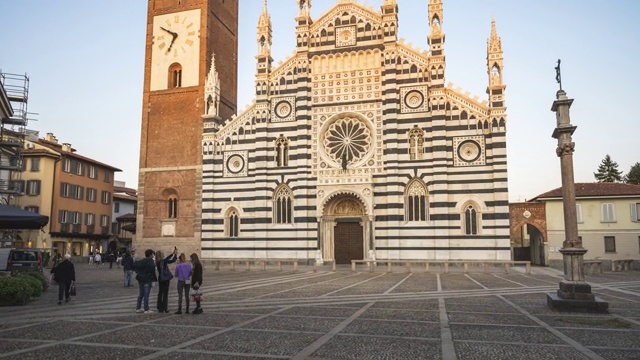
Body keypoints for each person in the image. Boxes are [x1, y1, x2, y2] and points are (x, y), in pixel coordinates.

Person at [132, 249, 157, 314]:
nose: (153, 255)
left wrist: (139, 273)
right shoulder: (151, 261)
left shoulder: (142, 261)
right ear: (151, 254)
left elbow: (135, 265)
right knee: (146, 295)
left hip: (141, 279)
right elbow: (152, 271)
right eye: (152, 254)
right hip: (148, 279)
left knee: (141, 294)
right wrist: (154, 280)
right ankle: (146, 309)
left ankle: (138, 308)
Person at [155, 248, 178, 313]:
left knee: (160, 293)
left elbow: (166, 259)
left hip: (161, 279)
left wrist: (172, 254)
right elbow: (172, 260)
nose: (163, 255)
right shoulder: (163, 261)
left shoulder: (158, 261)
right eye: (162, 254)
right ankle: (165, 307)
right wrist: (175, 255)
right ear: (161, 255)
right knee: (165, 293)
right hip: (165, 279)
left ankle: (160, 307)